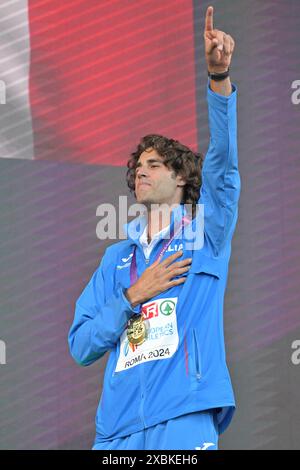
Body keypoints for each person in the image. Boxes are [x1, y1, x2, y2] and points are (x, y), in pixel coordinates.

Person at [68, 5, 241, 450]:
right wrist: (133, 295)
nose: (141, 173)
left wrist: (219, 81)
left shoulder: (208, 232)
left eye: (155, 165)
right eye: (138, 167)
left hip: (183, 417)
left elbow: (222, 169)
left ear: (181, 177)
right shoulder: (116, 258)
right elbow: (82, 344)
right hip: (116, 431)